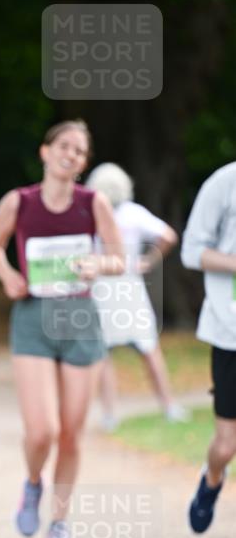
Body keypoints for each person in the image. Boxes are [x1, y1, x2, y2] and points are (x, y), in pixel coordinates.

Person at [0, 120, 124, 538]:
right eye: (65, 146)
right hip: (33, 318)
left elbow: (119, 259)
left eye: (80, 152)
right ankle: (32, 484)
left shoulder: (93, 202)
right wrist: (8, 276)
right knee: (42, 430)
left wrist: (97, 265)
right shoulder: (18, 201)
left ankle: (59, 524)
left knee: (71, 435)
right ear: (46, 152)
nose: (72, 155)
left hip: (80, 318)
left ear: (84, 163)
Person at [85, 162, 188, 429]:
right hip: (128, 285)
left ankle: (110, 414)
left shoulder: (92, 212)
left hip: (102, 286)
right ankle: (168, 405)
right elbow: (168, 235)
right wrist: (148, 260)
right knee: (148, 348)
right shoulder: (133, 213)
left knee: (104, 352)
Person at [181, 161, 236, 534]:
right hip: (230, 329)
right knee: (226, 443)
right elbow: (190, 252)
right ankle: (213, 477)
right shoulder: (225, 181)